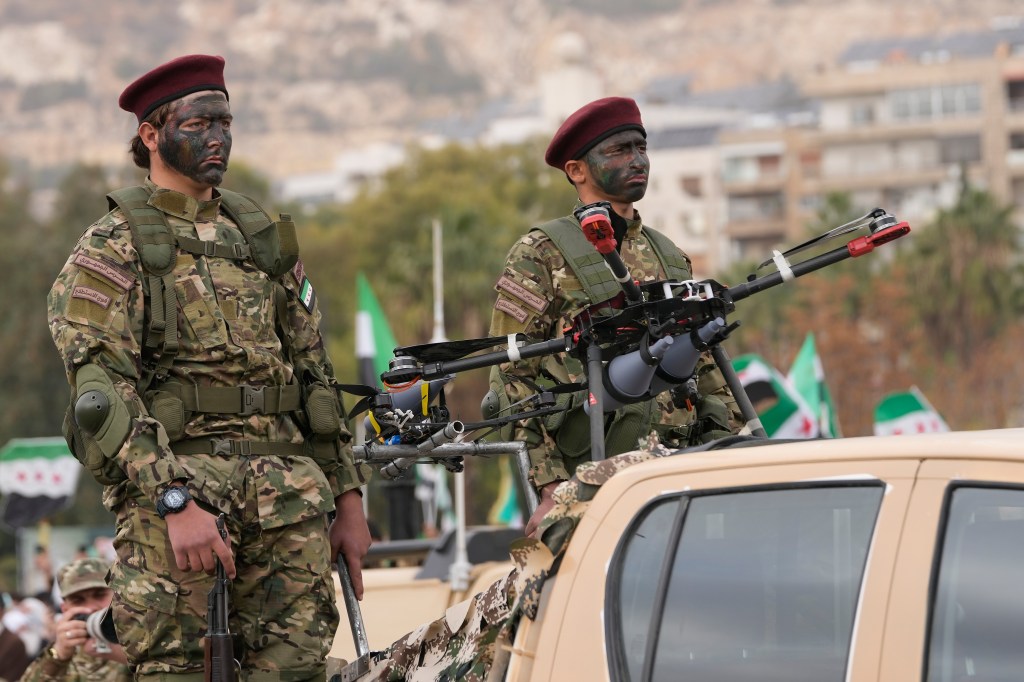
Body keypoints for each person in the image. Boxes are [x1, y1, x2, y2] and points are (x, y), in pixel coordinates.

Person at [47, 54, 372, 680]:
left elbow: (314, 377)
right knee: (178, 670)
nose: (218, 136)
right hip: (181, 512)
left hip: (289, 507)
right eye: (198, 124)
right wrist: (174, 502)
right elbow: (101, 396)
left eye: (225, 121)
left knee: (298, 669)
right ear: (151, 135)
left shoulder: (260, 238)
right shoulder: (113, 247)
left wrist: (348, 499)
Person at [488, 97, 742, 535]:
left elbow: (703, 368)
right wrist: (549, 485)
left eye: (641, 148)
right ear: (577, 171)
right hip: (588, 475)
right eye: (619, 150)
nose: (638, 159)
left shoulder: (670, 257)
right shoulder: (542, 253)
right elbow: (511, 377)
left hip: (674, 474)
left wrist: (734, 450)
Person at [19, 558, 130, 682]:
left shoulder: (137, 636)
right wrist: (59, 654)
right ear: (65, 609)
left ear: (116, 596)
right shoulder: (64, 650)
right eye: (78, 600)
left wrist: (127, 655)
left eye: (99, 595)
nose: (91, 608)